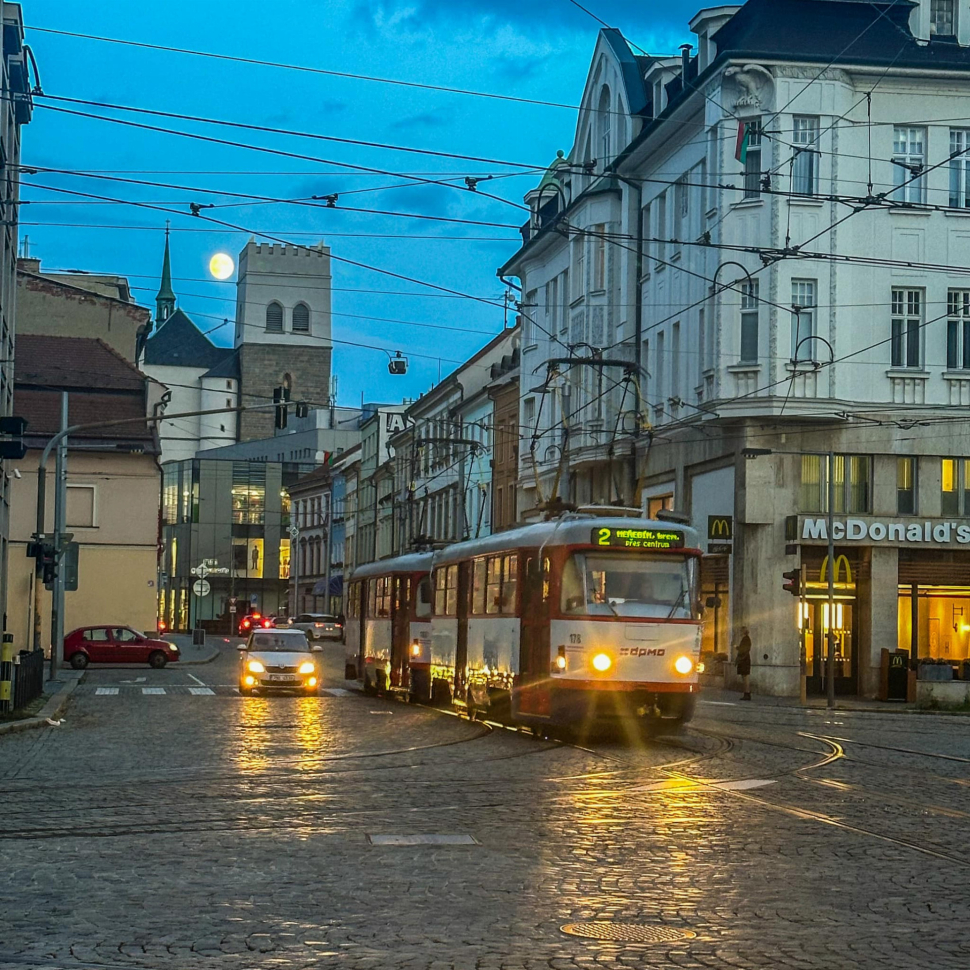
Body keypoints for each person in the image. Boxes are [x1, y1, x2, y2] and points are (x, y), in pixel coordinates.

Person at [736, 626, 752, 701]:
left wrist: (737, 648)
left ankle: (747, 693)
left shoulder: (746, 639)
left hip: (744, 660)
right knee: (744, 677)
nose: (740, 632)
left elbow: (744, 650)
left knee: (745, 677)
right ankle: (746, 693)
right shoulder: (746, 639)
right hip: (744, 659)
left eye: (741, 631)